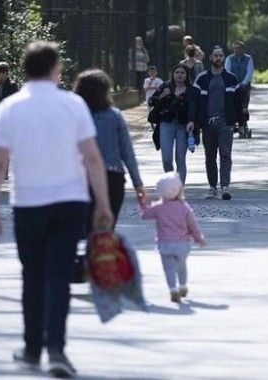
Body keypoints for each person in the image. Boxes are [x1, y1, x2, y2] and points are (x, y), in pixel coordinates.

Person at [0, 41, 113, 378]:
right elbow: (93, 157)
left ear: (25, 69)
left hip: (29, 203)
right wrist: (103, 203)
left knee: (33, 275)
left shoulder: (9, 108)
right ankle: (56, 349)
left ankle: (31, 348)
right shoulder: (73, 105)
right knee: (59, 276)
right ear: (55, 69)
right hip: (71, 201)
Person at [73, 69, 147, 228]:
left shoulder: (74, 116)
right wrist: (138, 184)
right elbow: (127, 152)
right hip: (113, 178)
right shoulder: (114, 115)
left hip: (81, 179)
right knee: (105, 233)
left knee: (84, 229)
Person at [186, 46, 243, 200]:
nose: (218, 58)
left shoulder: (231, 78)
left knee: (225, 154)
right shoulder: (202, 78)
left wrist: (242, 124)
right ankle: (212, 187)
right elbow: (194, 102)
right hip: (207, 123)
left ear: (224, 58)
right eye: (215, 55)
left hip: (226, 123)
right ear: (210, 58)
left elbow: (239, 103)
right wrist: (192, 120)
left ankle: (225, 186)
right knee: (210, 156)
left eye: (221, 55)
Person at [142, 172, 206, 303]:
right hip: (182, 244)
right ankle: (182, 286)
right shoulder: (185, 208)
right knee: (181, 266)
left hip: (165, 244)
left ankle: (173, 289)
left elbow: (145, 215)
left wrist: (143, 202)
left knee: (169, 268)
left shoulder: (158, 207)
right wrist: (199, 238)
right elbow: (193, 225)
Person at [148, 64, 192, 185]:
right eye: (177, 72)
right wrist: (161, 96)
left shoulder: (191, 90)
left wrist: (192, 122)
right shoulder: (165, 86)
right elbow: (151, 101)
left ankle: (179, 189)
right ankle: (172, 183)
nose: (179, 75)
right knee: (167, 160)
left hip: (183, 127)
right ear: (173, 74)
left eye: (182, 73)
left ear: (187, 75)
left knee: (180, 159)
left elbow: (196, 109)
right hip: (166, 125)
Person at [224, 41, 254, 135]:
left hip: (244, 86)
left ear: (242, 49)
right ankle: (232, 123)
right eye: (235, 48)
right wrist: (232, 83)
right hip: (232, 86)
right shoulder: (229, 59)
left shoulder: (248, 58)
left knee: (244, 106)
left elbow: (249, 72)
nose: (237, 50)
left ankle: (244, 124)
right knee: (232, 105)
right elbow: (227, 71)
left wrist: (244, 83)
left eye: (238, 48)